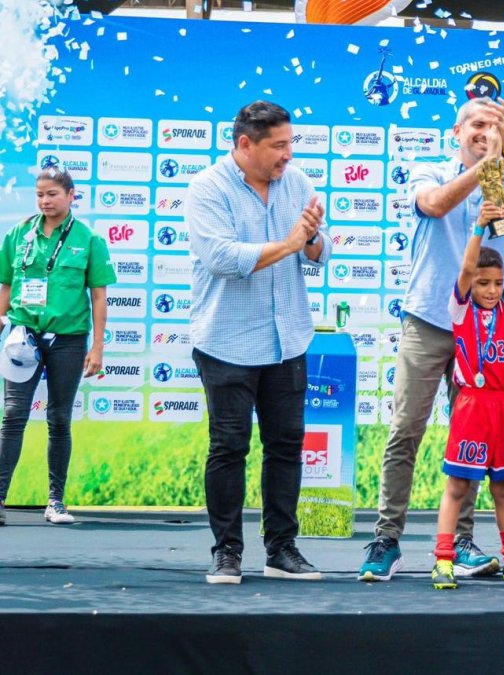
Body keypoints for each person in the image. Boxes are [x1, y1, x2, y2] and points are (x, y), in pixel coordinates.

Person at [361, 97, 504, 582]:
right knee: (406, 431)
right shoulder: (428, 170)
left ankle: (461, 542)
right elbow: (435, 204)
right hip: (428, 321)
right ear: (455, 131)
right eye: (477, 125)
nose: (486, 132)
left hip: (479, 336)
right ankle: (386, 538)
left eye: (495, 125)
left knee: (475, 439)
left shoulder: (503, 173)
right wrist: (485, 165)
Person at [187, 101, 332, 584]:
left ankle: (281, 549)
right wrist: (292, 242)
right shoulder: (208, 187)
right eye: (279, 145)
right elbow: (223, 258)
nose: (288, 155)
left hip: (287, 337)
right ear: (245, 144)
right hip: (226, 339)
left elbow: (320, 250)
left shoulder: (299, 183)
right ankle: (227, 551)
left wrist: (311, 240)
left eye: (291, 143)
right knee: (229, 447)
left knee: (287, 447)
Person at [430, 198, 504, 589]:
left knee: (503, 488)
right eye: (484, 283)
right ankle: (444, 559)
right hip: (471, 406)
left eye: (496, 284)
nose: (492, 290)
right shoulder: (460, 309)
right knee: (458, 486)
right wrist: (479, 227)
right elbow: (467, 267)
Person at [0, 169, 115, 526]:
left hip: (67, 340)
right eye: (40, 195)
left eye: (52, 194)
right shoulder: (19, 234)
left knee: (59, 418)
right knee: (13, 417)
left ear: (70, 195)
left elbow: (98, 296)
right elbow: (6, 285)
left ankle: (55, 501)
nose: (45, 201)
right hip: (22, 337)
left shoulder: (89, 239)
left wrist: (96, 347)